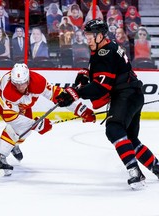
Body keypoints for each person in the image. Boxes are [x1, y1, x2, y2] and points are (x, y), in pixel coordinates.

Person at [55, 19, 159, 189]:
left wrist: (74, 93)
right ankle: (156, 167)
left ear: (100, 35)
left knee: (114, 129)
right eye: (86, 35)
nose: (87, 38)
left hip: (126, 95)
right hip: (133, 94)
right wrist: (85, 74)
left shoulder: (105, 52)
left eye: (90, 35)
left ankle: (135, 172)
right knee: (130, 139)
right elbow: (103, 69)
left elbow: (101, 87)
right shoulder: (106, 47)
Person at [0, 63, 64, 176]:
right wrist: (36, 124)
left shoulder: (37, 81)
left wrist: (80, 109)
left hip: (21, 103)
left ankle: (13, 145)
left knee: (26, 131)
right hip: (0, 98)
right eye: (16, 84)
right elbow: (11, 119)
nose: (20, 87)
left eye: (23, 83)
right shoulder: (9, 91)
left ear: (28, 79)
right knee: (15, 128)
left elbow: (57, 94)